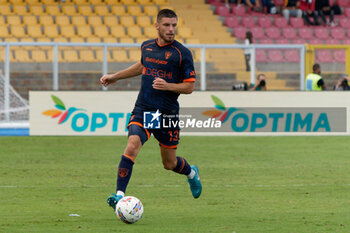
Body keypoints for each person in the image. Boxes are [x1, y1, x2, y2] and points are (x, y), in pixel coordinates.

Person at [100, 9, 202, 210]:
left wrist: (168, 86)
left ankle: (192, 173)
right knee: (132, 144)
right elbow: (141, 66)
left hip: (167, 114)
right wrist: (115, 76)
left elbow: (189, 87)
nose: (171, 29)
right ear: (157, 26)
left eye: (174, 25)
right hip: (145, 109)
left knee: (169, 164)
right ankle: (119, 196)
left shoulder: (182, 54)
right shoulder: (146, 47)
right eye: (166, 25)